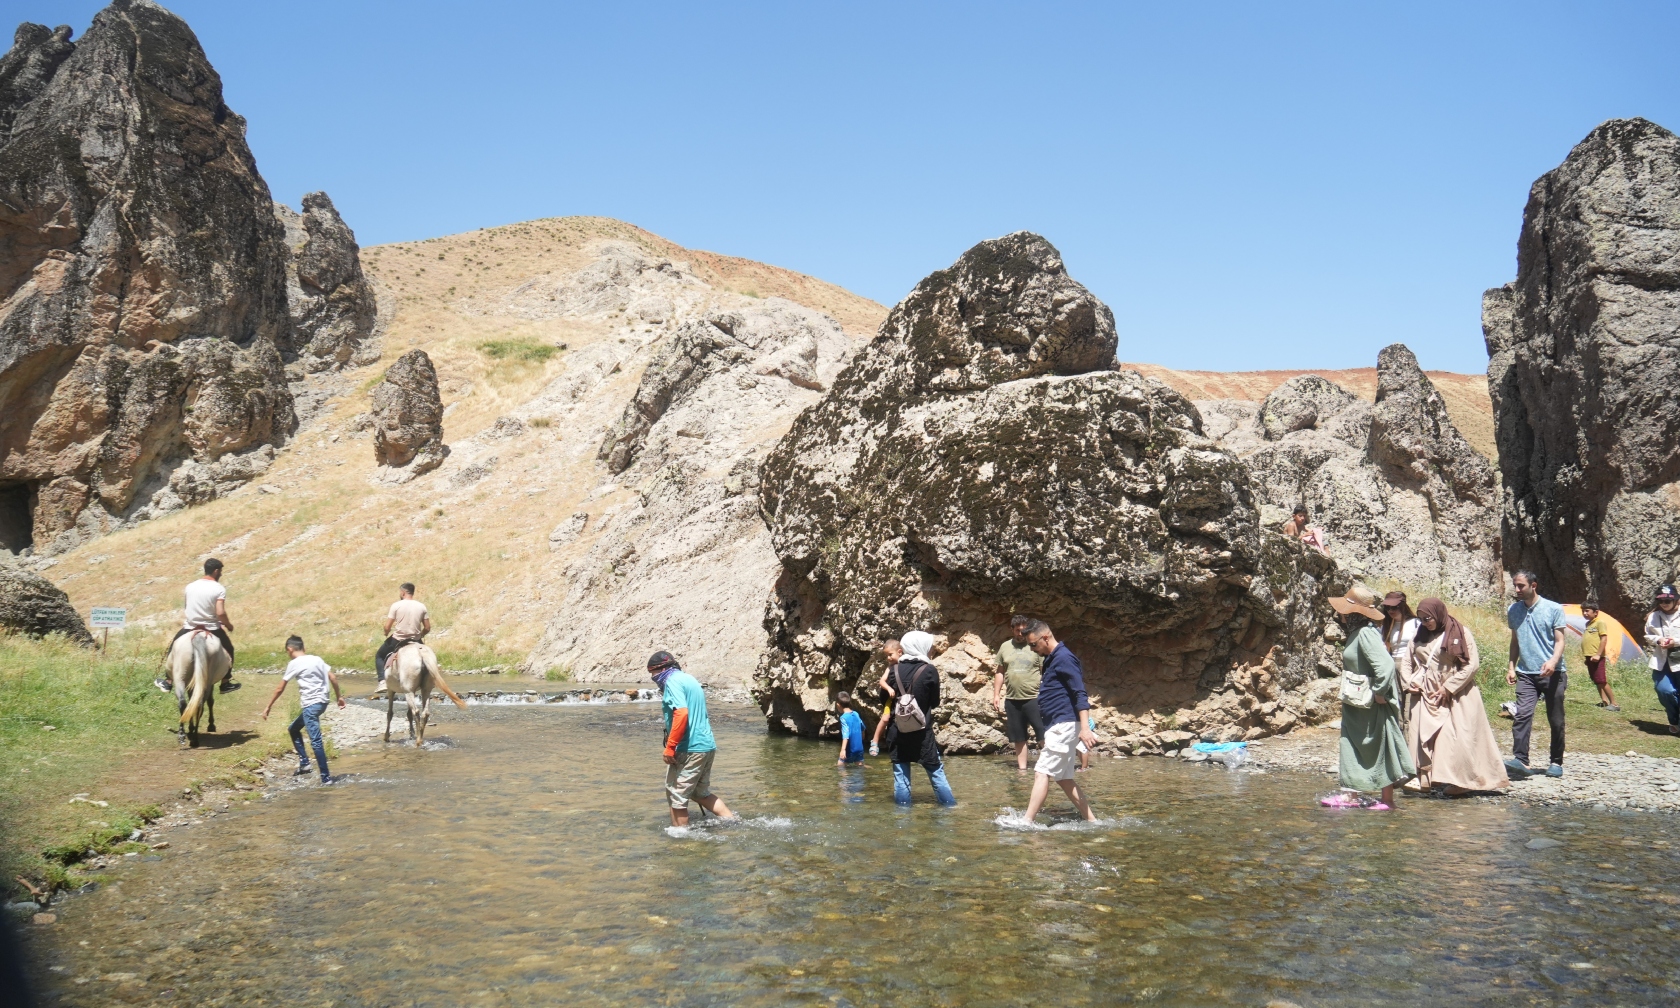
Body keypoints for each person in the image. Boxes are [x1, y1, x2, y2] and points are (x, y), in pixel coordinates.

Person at [1402, 598, 1508, 795]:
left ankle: (1463, 781)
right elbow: (1407, 661)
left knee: (1455, 737)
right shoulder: (1420, 634)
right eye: (1422, 619)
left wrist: (1449, 687)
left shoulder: (1460, 632)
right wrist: (1409, 683)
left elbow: (1471, 665)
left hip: (1455, 693)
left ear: (1439, 614)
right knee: (1421, 734)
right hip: (1425, 691)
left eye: (1428, 618)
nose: (1425, 623)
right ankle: (1424, 778)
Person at [1324, 584, 1414, 810]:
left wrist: (1379, 693)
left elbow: (1385, 666)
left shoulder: (1364, 633)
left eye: (1344, 610)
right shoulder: (1359, 632)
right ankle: (1367, 798)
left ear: (1353, 613)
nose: (1340, 614)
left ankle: (1373, 799)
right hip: (1359, 703)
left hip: (1369, 702)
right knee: (1360, 744)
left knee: (1370, 743)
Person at [1020, 620, 1099, 822]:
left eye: (1033, 644)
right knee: (1064, 778)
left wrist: (1085, 729)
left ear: (1045, 637)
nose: (1032, 649)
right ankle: (1092, 820)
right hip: (1058, 724)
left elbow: (1080, 693)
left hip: (1064, 724)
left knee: (1041, 772)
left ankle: (1025, 822)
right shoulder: (1050, 658)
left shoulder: (1064, 658)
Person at [650, 650, 736, 827]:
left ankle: (681, 839)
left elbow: (681, 714)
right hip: (706, 745)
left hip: (688, 747)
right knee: (699, 793)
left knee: (676, 795)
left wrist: (670, 747)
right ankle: (733, 823)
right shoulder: (688, 679)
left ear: (660, 669)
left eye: (653, 673)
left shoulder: (672, 682)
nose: (653, 677)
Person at [881, 631, 956, 806]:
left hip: (897, 731)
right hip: (922, 731)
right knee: (935, 771)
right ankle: (949, 809)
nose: (930, 651)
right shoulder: (929, 670)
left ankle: (902, 818)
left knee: (901, 776)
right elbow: (934, 702)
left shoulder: (894, 669)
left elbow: (883, 699)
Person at [1505, 570, 1568, 778]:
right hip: (1526, 673)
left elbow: (1560, 641)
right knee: (1522, 714)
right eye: (1515, 585)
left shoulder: (1553, 608)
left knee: (1556, 719)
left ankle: (1556, 762)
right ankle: (1521, 760)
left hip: (1553, 672)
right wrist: (1511, 666)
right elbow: (1515, 642)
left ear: (1534, 585)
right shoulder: (1513, 610)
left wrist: (1553, 661)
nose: (1516, 590)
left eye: (1521, 586)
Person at [260, 635, 345, 784]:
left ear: (290, 649)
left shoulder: (294, 663)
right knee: (294, 729)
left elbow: (281, 687)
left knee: (316, 741)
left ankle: (326, 778)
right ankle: (305, 764)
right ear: (303, 648)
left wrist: (269, 706)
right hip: (322, 703)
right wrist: (339, 697)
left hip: (310, 705)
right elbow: (333, 677)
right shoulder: (317, 659)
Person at [159, 558, 240, 693]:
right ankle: (226, 682)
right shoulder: (219, 588)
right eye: (220, 571)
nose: (221, 574)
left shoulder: (190, 586)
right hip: (212, 628)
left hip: (190, 627)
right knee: (229, 649)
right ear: (216, 571)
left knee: (174, 647)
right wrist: (228, 625)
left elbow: (187, 606)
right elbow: (220, 612)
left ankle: (168, 681)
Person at [991, 615, 1046, 771]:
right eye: (1017, 631)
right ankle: (1022, 770)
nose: (1020, 634)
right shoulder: (1005, 647)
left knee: (1042, 734)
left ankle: (1050, 767)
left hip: (1034, 698)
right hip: (1012, 700)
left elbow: (1044, 671)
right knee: (1019, 737)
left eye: (1023, 630)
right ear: (1012, 630)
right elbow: (1000, 672)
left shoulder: (1035, 645)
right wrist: (996, 694)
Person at [374, 583, 431, 696]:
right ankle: (431, 680)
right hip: (416, 640)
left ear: (403, 592)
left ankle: (382, 681)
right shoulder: (421, 606)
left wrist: (386, 632)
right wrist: (421, 635)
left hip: (398, 639)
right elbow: (428, 627)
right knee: (428, 658)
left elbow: (387, 627)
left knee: (379, 656)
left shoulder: (396, 605)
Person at [1645, 585, 1680, 736]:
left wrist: (1676, 642)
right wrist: (1658, 640)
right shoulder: (1653, 616)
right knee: (1664, 690)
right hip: (1662, 661)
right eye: (1661, 600)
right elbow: (1648, 634)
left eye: (1668, 600)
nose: (1664, 603)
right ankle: (1674, 719)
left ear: (1676, 600)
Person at [1580, 600, 1620, 711]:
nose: (1584, 613)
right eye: (1583, 611)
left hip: (1597, 657)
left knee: (1601, 680)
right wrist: (1587, 657)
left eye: (1587, 611)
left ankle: (1614, 704)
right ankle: (1604, 701)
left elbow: (1603, 638)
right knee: (1596, 679)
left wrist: (1598, 654)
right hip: (1590, 657)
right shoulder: (1588, 624)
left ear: (1596, 612)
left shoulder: (1600, 622)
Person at [868, 639, 903, 756]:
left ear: (900, 652)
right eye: (886, 656)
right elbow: (882, 681)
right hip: (890, 699)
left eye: (890, 654)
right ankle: (875, 740)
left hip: (902, 699)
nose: (888, 658)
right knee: (885, 719)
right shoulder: (889, 668)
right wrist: (889, 688)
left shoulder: (905, 665)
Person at [835, 692, 865, 766]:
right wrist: (861, 741)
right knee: (860, 766)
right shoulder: (856, 714)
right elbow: (863, 728)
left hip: (850, 749)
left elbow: (846, 734)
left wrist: (843, 750)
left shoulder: (843, 718)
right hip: (859, 748)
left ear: (838, 705)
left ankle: (845, 778)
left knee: (840, 767)